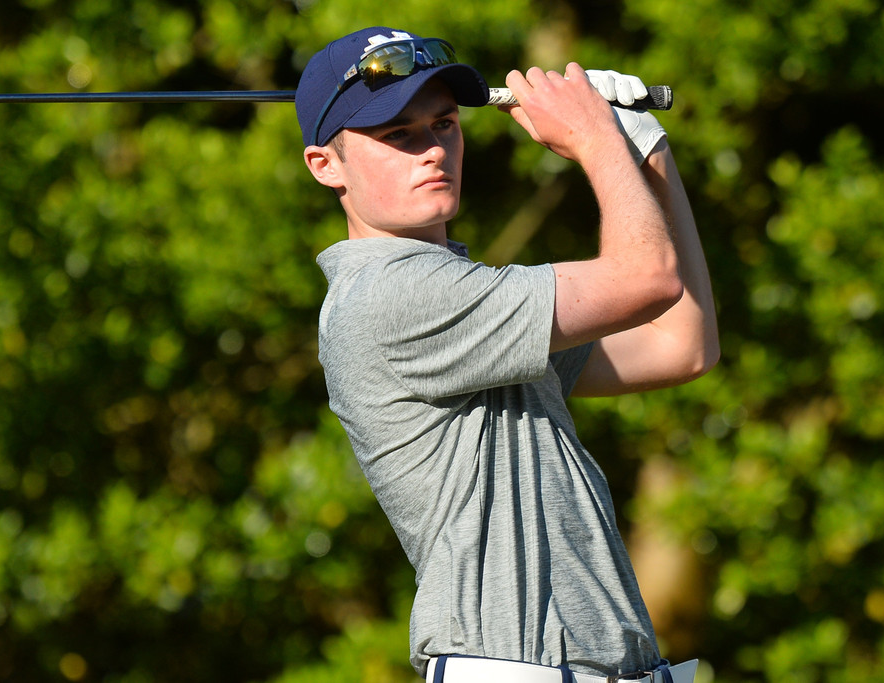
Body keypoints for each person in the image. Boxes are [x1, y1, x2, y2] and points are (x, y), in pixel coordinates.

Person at [295, 25, 719, 683]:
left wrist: (646, 148)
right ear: (326, 165)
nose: (432, 150)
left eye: (442, 124)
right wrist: (594, 139)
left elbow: (680, 343)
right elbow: (648, 279)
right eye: (397, 135)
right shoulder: (389, 294)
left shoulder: (475, 302)